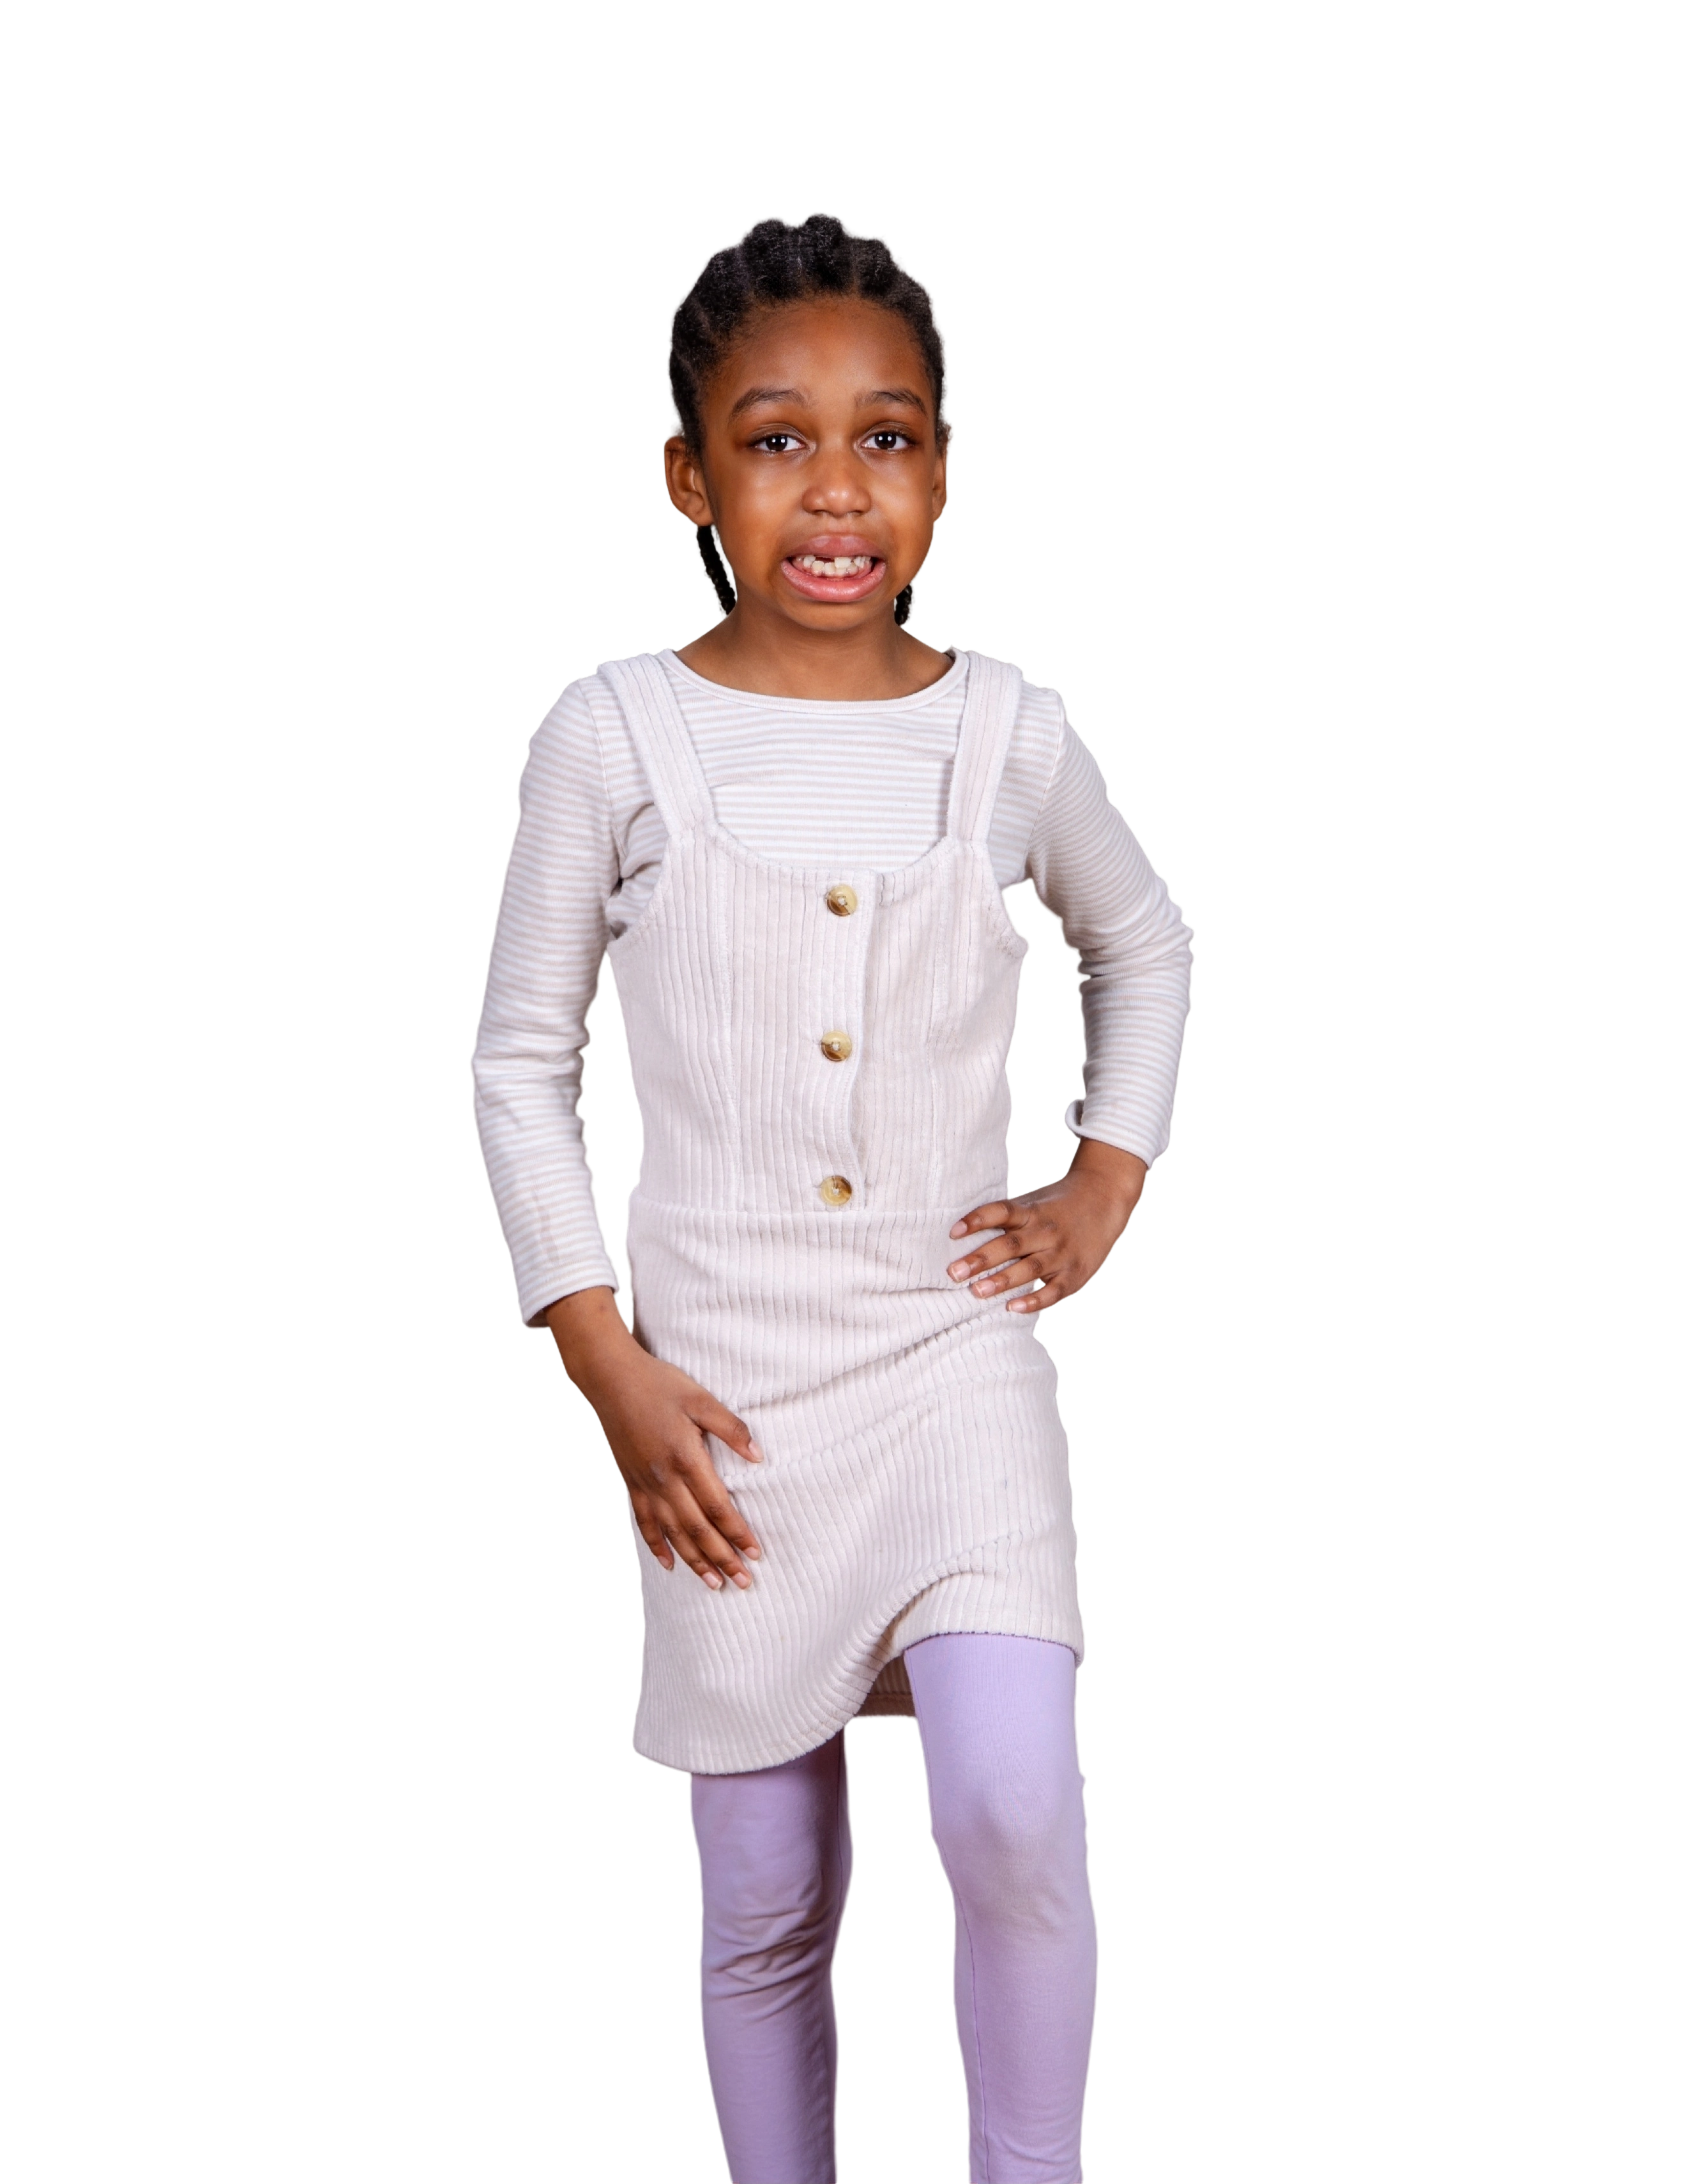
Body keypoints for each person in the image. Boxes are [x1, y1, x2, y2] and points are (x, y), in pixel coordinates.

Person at [467, 210, 1195, 2184]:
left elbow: (1143, 941)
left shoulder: (1008, 733)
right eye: (776, 439)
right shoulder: (612, 735)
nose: (838, 487)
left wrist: (1102, 1181)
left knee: (1015, 1808)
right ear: (688, 476)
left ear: (943, 472)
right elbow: (518, 1063)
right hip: (721, 1392)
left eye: (888, 437)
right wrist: (604, 1359)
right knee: (769, 1878)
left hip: (957, 1354)